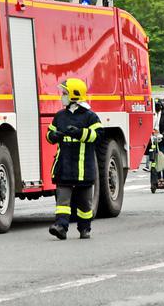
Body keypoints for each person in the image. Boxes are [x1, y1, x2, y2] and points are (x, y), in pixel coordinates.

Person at [46, 78, 102, 240]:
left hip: (83, 167)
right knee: (62, 201)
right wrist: (53, 136)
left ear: (74, 95)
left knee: (85, 204)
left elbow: (98, 136)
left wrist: (79, 133)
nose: (62, 96)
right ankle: (61, 227)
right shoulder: (60, 116)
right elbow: (49, 135)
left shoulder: (90, 117)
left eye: (64, 93)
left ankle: (85, 228)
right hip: (64, 165)